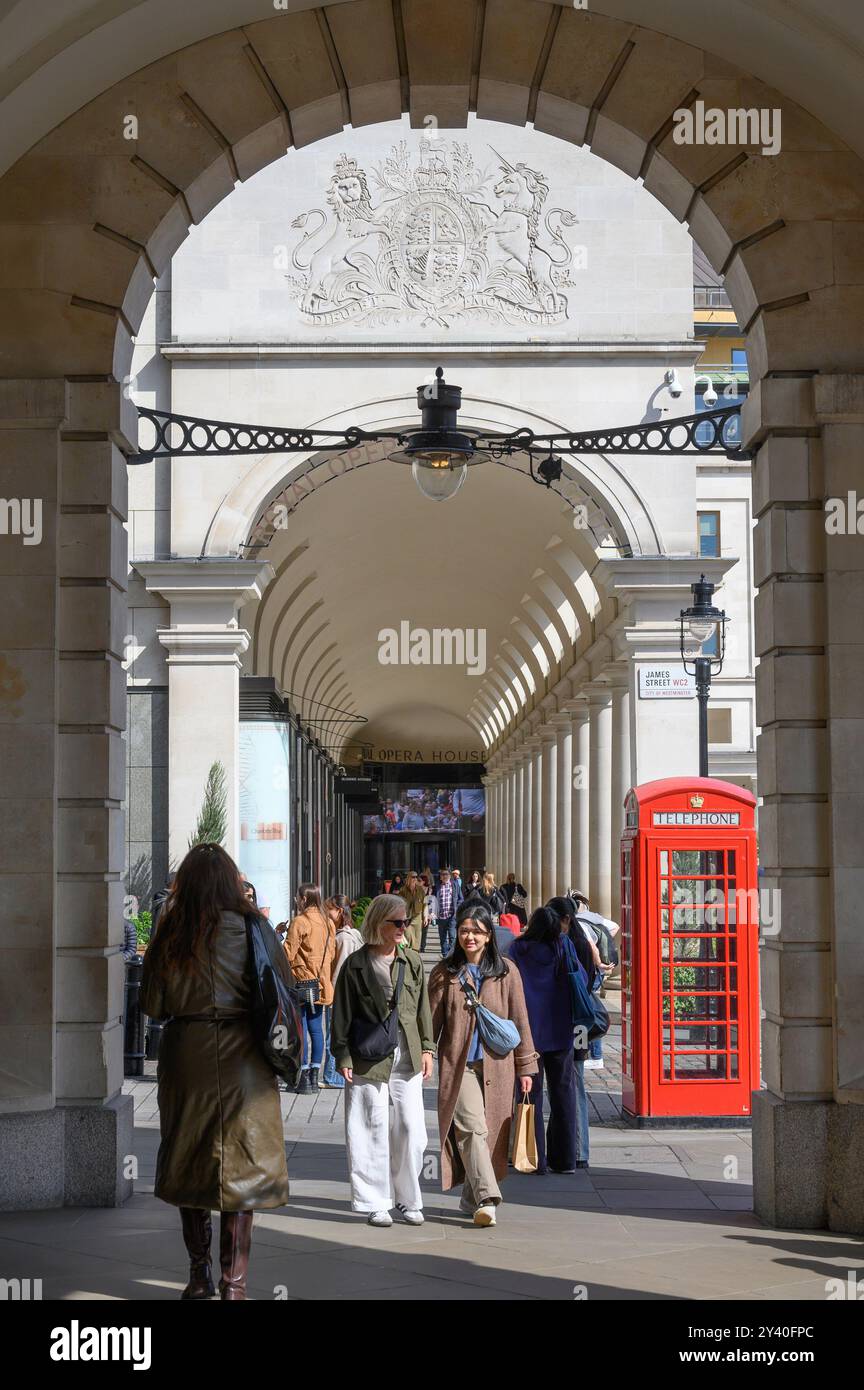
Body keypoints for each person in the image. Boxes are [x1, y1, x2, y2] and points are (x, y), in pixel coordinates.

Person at [140, 843, 289, 1300]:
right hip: (245, 1056)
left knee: (190, 1162)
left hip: (188, 1056)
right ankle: (235, 1285)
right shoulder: (255, 927)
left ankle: (199, 1276)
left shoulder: (171, 933)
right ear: (230, 881)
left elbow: (153, 1005)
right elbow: (281, 991)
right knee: (243, 1173)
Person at [428, 901, 537, 1227]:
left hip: (498, 1067)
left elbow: (520, 1020)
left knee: (489, 1137)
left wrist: (526, 1067)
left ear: (489, 935)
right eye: (464, 930)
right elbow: (429, 1024)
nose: (469, 937)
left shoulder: (506, 972)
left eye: (476, 931)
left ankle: (470, 1198)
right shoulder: (444, 974)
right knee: (472, 1130)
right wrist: (423, 1054)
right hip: (458, 1068)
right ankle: (488, 1199)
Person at [331, 894, 435, 1227]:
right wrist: (342, 1054)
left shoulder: (412, 961)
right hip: (367, 1055)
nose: (405, 927)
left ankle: (407, 1197)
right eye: (398, 922)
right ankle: (375, 1200)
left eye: (406, 921)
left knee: (411, 1129)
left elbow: (422, 1009)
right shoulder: (356, 964)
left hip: (407, 1054)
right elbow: (342, 1012)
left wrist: (429, 1048)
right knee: (367, 1126)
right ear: (379, 924)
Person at [508, 907, 580, 1174]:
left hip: (528, 1035)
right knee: (564, 1095)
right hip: (561, 1031)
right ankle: (565, 1160)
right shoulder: (563, 946)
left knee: (529, 1096)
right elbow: (580, 979)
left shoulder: (516, 950)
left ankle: (532, 1160)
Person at [547, 895, 598, 1168]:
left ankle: (579, 1151)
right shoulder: (577, 943)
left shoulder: (573, 945)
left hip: (574, 1024)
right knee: (569, 1086)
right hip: (576, 1023)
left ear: (566, 920)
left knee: (574, 1085)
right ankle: (569, 1146)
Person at [284, 882, 336, 1094]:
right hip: (321, 983)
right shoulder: (328, 922)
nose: (296, 900)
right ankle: (314, 1077)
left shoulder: (300, 921)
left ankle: (303, 1077)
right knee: (317, 1029)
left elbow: (287, 953)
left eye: (297, 897)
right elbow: (332, 953)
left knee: (301, 1029)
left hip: (302, 983)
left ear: (304, 899)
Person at [569, 890, 617, 1070]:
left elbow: (590, 945)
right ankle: (589, 1052)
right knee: (590, 1009)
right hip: (595, 971)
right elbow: (615, 927)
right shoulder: (594, 917)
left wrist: (599, 962)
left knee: (588, 1012)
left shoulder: (578, 923)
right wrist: (604, 942)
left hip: (589, 971)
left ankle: (595, 1054)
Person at [320, 895, 364, 1090]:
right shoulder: (353, 934)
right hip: (350, 995)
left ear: (339, 911)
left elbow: (341, 971)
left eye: (329, 909)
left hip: (341, 995)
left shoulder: (344, 938)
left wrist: (333, 995)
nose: (325, 913)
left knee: (335, 1034)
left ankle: (333, 1076)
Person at [436, 866, 462, 956]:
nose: (444, 876)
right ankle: (444, 955)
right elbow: (431, 900)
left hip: (452, 916)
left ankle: (451, 956)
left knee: (452, 937)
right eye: (442, 874)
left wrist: (457, 909)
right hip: (441, 917)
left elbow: (460, 899)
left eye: (446, 874)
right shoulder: (437, 886)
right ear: (440, 876)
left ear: (450, 876)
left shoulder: (454, 885)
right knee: (442, 938)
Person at [398, 870, 426, 952]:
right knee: (407, 935)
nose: (415, 879)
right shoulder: (403, 890)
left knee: (417, 937)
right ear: (408, 878)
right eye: (413, 877)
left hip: (417, 916)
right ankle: (407, 952)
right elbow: (399, 904)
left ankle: (415, 954)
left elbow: (425, 903)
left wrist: (425, 916)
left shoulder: (420, 890)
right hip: (407, 917)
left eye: (416, 877)